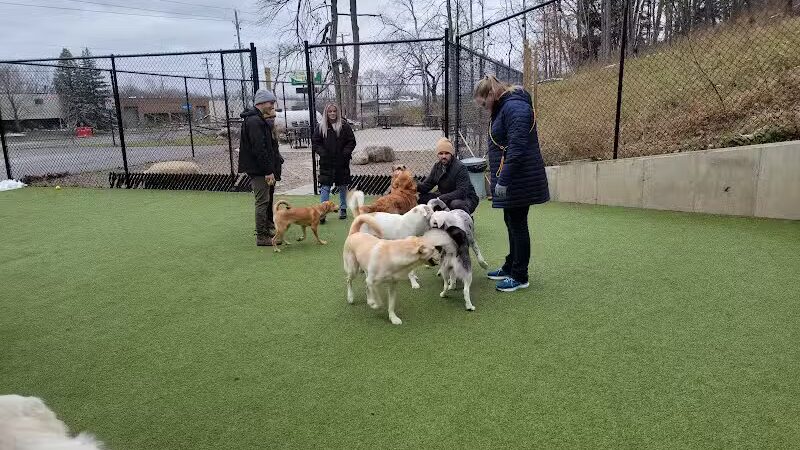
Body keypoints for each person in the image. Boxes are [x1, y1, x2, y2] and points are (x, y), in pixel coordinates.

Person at [473, 75, 549, 292]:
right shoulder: (503, 107)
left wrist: (503, 180)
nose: (484, 108)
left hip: (519, 178)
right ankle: (511, 266)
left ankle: (520, 275)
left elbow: (517, 148)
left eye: (483, 103)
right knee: (511, 221)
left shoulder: (515, 107)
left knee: (518, 224)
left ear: (491, 94)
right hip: (514, 177)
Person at [238, 89, 284, 246]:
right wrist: (268, 171)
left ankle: (267, 227)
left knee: (266, 199)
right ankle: (262, 236)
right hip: (258, 170)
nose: (272, 106)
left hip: (261, 169)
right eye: (270, 103)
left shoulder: (257, 120)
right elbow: (259, 149)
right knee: (262, 201)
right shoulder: (254, 122)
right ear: (262, 103)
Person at [312, 103, 356, 222]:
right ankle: (322, 212)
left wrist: (345, 153)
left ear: (338, 112)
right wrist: (323, 153)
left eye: (334, 111)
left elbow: (351, 141)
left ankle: (342, 208)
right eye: (330, 111)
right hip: (326, 161)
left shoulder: (344, 126)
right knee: (325, 186)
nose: (332, 113)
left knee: (342, 185)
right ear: (326, 113)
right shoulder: (320, 127)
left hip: (342, 161)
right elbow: (316, 142)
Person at [417, 137, 479, 214]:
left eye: (446, 153)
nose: (443, 156)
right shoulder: (437, 167)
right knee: (420, 198)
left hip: (466, 198)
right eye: (441, 153)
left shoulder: (460, 167)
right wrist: (411, 184)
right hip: (445, 196)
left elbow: (462, 192)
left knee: (456, 204)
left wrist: (440, 198)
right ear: (437, 155)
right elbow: (426, 186)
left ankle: (467, 220)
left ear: (451, 154)